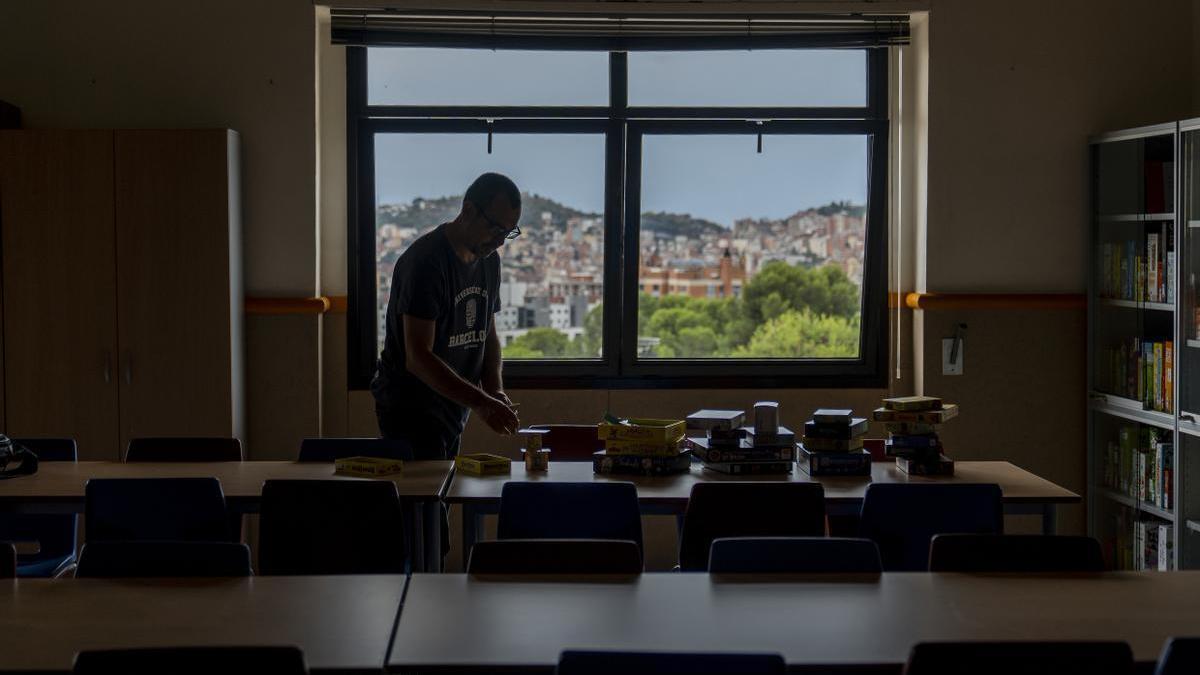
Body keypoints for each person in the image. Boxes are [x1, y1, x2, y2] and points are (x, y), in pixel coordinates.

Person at [372, 172, 522, 459]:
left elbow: (486, 333)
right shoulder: (427, 262)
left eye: (508, 233)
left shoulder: (488, 262)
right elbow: (418, 358)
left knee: (438, 498)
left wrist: (495, 392)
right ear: (468, 210)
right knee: (422, 498)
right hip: (410, 409)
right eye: (495, 229)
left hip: (452, 407)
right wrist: (482, 403)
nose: (500, 242)